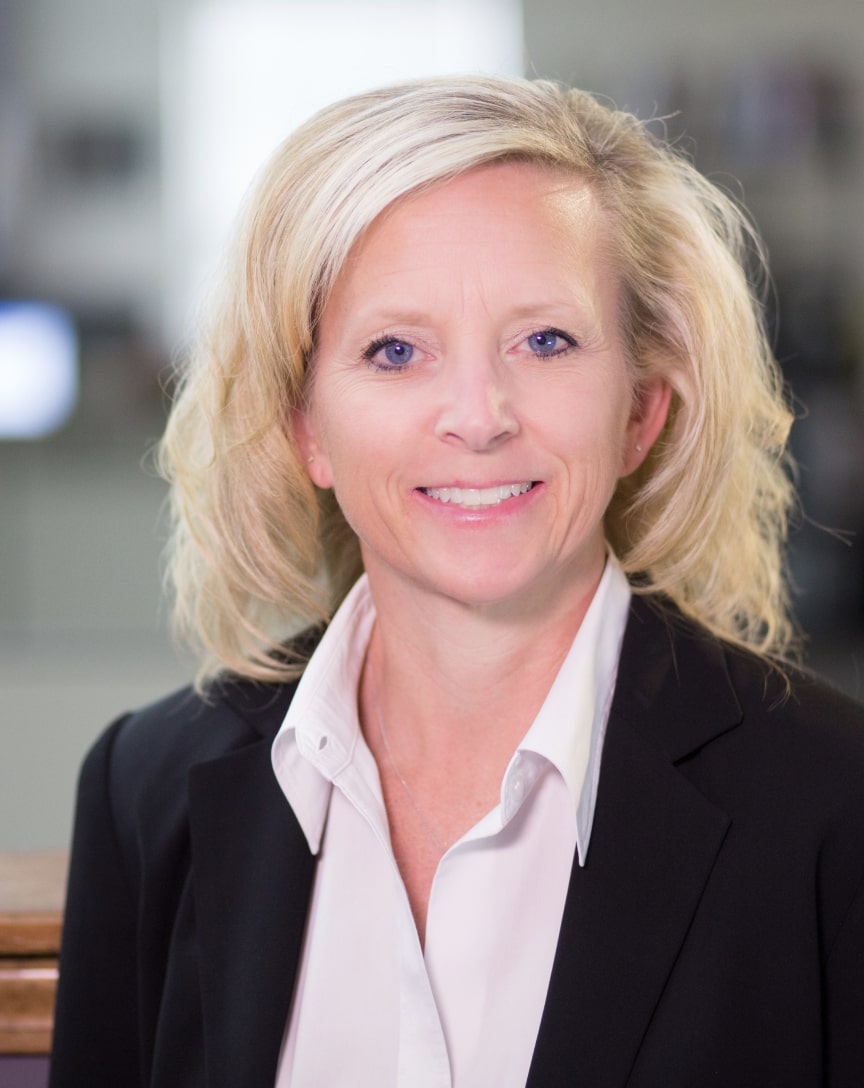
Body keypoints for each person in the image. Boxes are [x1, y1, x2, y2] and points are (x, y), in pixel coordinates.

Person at [50, 76, 864, 1088]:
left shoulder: (835, 801)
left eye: (545, 340)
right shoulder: (146, 785)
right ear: (307, 426)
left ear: (641, 410)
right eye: (395, 350)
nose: (478, 415)